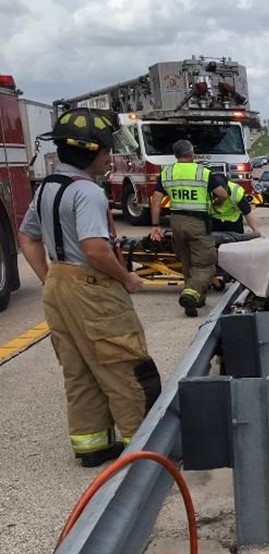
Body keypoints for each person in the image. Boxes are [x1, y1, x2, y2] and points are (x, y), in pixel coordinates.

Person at [16, 108, 161, 467]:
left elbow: (27, 236)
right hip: (92, 287)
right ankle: (145, 451)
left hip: (60, 285)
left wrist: (50, 278)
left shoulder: (48, 187)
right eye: (107, 150)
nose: (109, 156)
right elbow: (96, 249)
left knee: (79, 370)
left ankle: (92, 446)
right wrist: (127, 278)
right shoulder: (87, 193)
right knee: (127, 366)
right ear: (95, 151)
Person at [148, 139, 229, 317]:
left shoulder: (167, 173)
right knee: (205, 264)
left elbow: (155, 200)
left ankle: (195, 300)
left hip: (176, 222)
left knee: (187, 264)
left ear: (176, 155)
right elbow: (223, 194)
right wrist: (215, 204)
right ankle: (190, 294)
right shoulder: (202, 172)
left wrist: (155, 226)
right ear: (192, 153)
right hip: (197, 223)